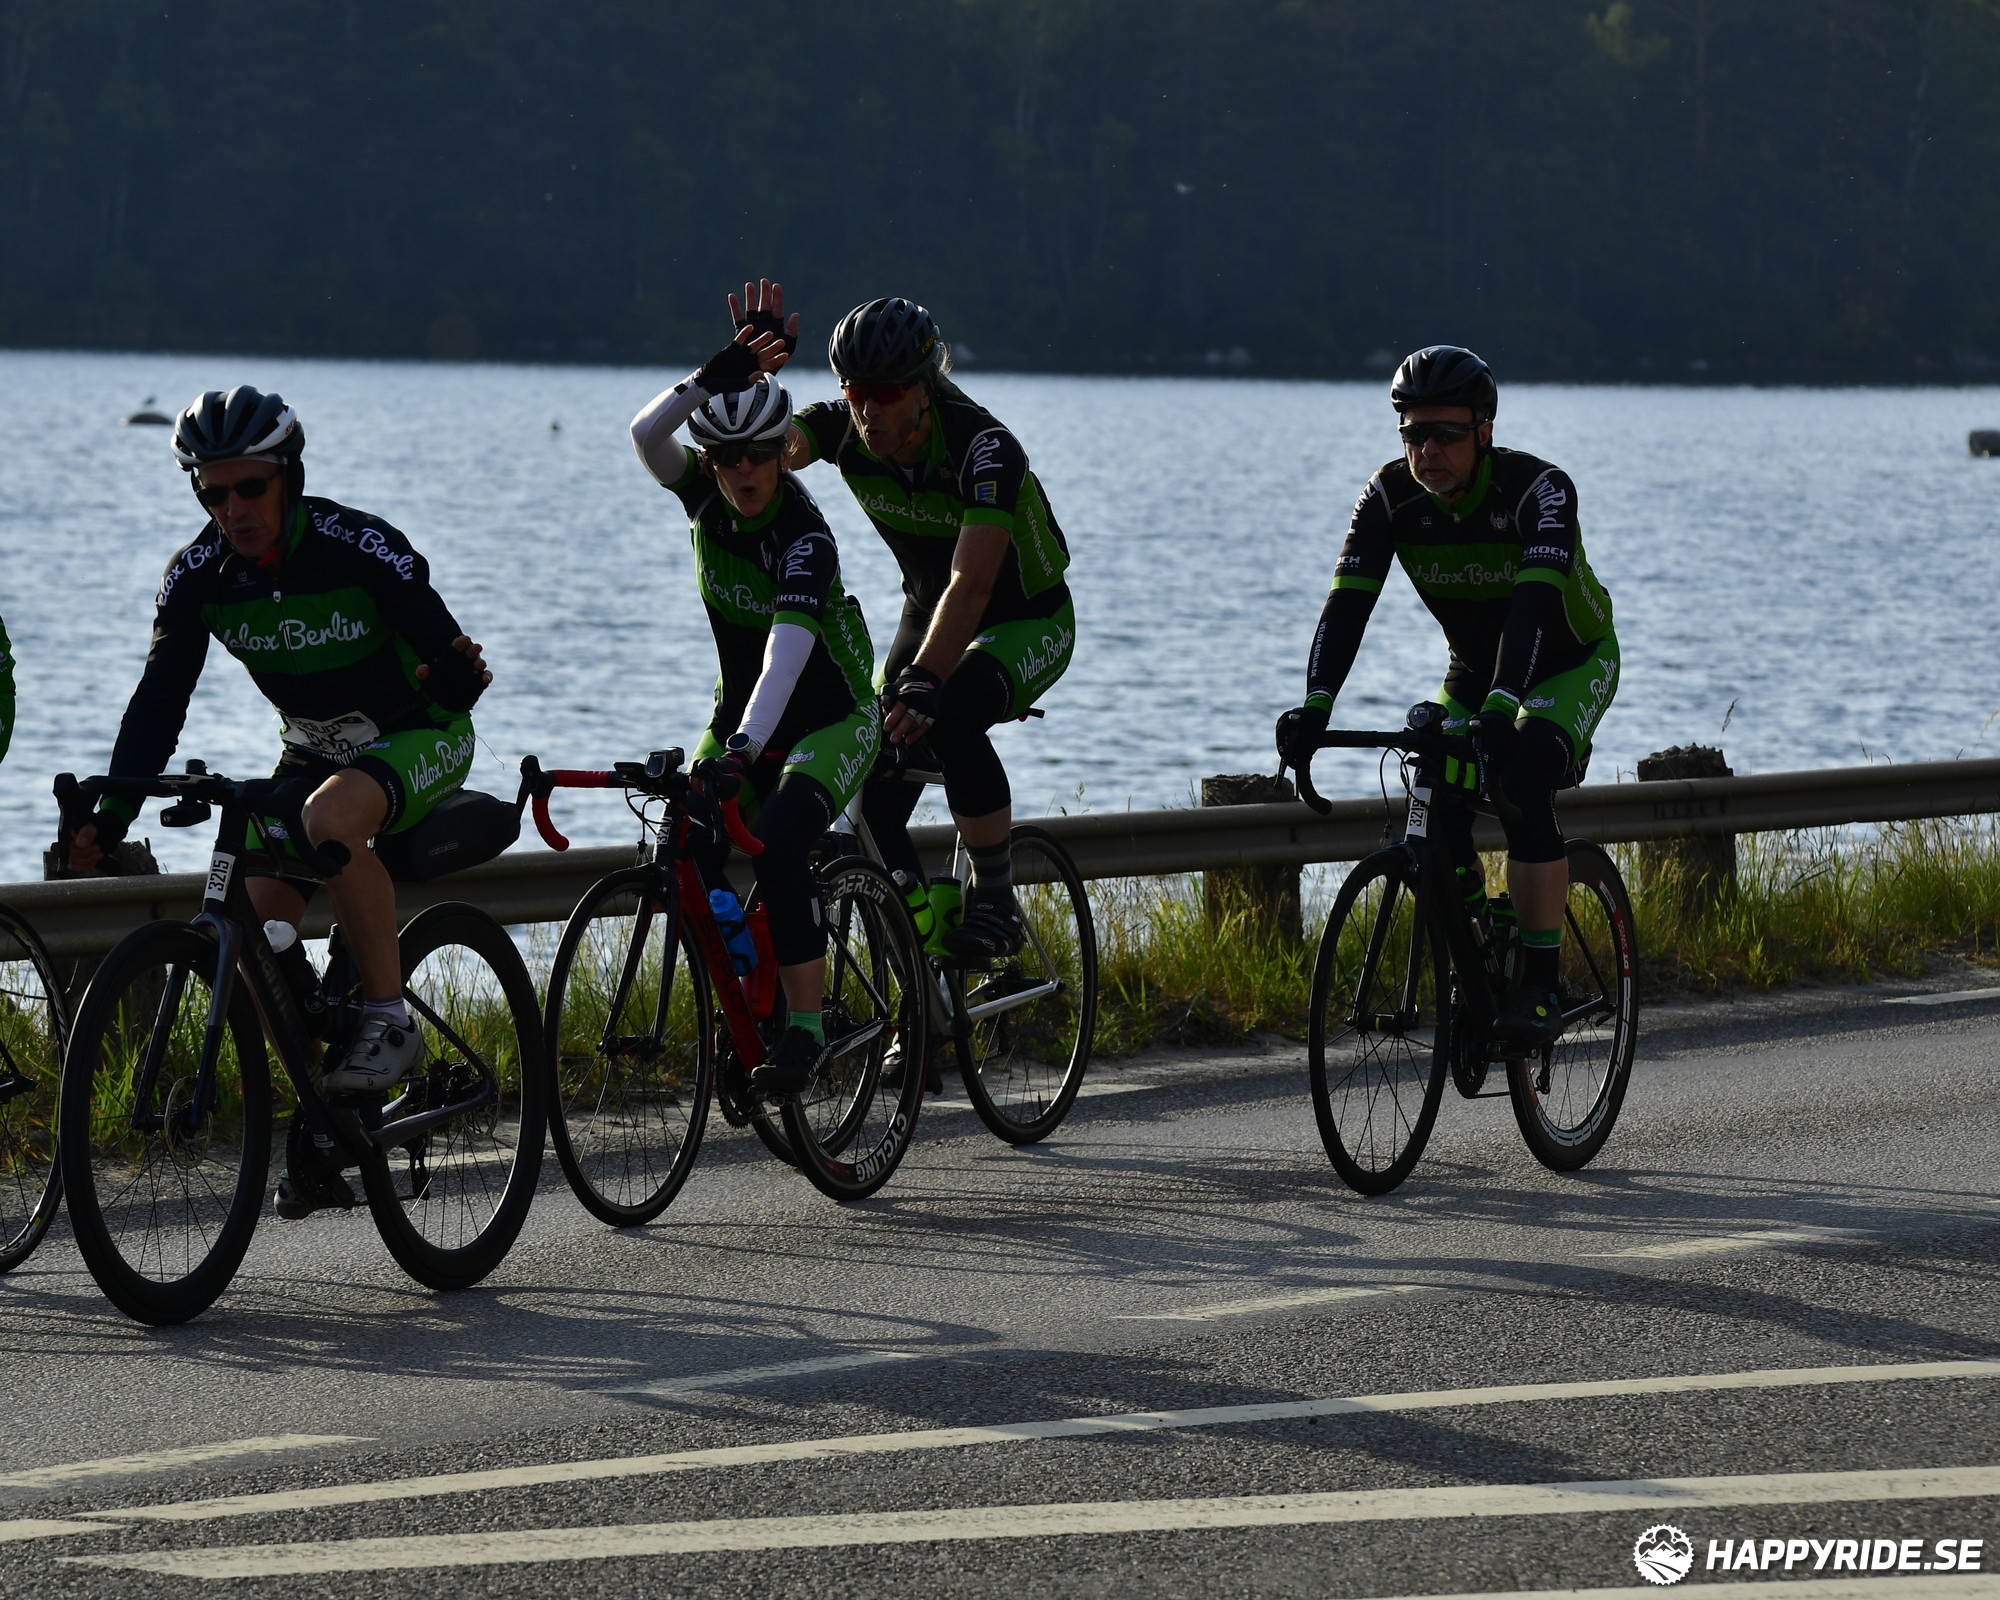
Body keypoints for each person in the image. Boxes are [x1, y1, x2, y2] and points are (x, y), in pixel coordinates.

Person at [68, 386, 492, 1092]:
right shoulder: (197, 577)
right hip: (312, 752)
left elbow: (446, 653)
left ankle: (389, 1022)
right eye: (214, 494)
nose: (233, 510)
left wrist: (455, 680)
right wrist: (112, 815)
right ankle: (326, 1115)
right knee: (253, 943)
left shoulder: (359, 546)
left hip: (419, 734)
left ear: (288, 477)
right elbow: (159, 703)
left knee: (329, 818)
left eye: (250, 488)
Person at [1277, 346, 1619, 1044]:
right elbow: (1346, 608)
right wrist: (1315, 706)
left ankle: (1542, 983)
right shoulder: (1388, 497)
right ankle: (1481, 949)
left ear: (1484, 431)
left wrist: (1502, 708)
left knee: (1522, 775)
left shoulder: (1539, 491)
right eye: (1413, 434)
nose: (1427, 450)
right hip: (1473, 669)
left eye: (1446, 434)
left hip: (1567, 663)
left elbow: (1532, 611)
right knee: (1434, 775)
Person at [731, 281, 1075, 963]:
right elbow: (770, 452)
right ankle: (919, 957)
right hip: (928, 609)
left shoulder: (983, 448)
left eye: (886, 392)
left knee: (948, 714)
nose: (868, 409)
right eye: (855, 390)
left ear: (925, 387)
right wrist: (746, 387)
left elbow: (972, 584)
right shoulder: (843, 427)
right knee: (875, 768)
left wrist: (925, 680)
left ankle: (997, 903)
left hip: (1026, 617)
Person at [629, 330, 880, 1097]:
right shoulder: (704, 498)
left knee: (777, 843)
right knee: (681, 847)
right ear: (710, 462)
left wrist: (741, 751)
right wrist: (708, 378)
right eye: (727, 456)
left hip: (830, 717)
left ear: (781, 454)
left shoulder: (805, 538)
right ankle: (746, 1004)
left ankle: (805, 1031)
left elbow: (785, 657)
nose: (744, 470)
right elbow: (646, 435)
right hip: (741, 717)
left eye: (759, 455)